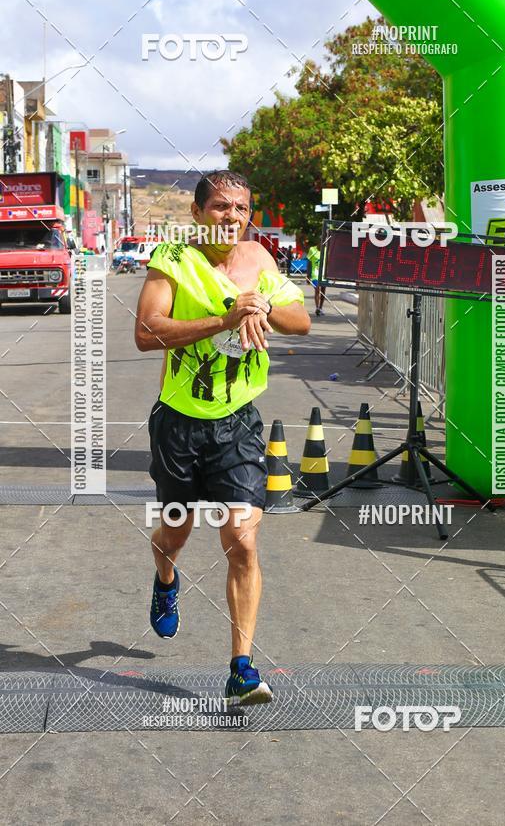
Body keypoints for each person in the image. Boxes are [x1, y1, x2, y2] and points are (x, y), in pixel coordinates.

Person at [135, 169, 310, 706]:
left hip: (237, 421)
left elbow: (299, 321)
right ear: (197, 213)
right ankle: (166, 578)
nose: (231, 217)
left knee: (243, 539)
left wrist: (261, 306)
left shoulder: (259, 259)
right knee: (177, 531)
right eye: (220, 208)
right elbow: (146, 333)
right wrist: (224, 317)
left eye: (240, 209)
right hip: (179, 422)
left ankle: (242, 667)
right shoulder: (173, 261)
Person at [306, 242, 326, 315]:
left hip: (324, 275)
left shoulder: (326, 250)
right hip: (315, 274)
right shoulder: (312, 249)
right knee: (317, 289)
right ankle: (317, 308)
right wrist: (308, 275)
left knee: (323, 291)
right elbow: (309, 262)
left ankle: (321, 308)